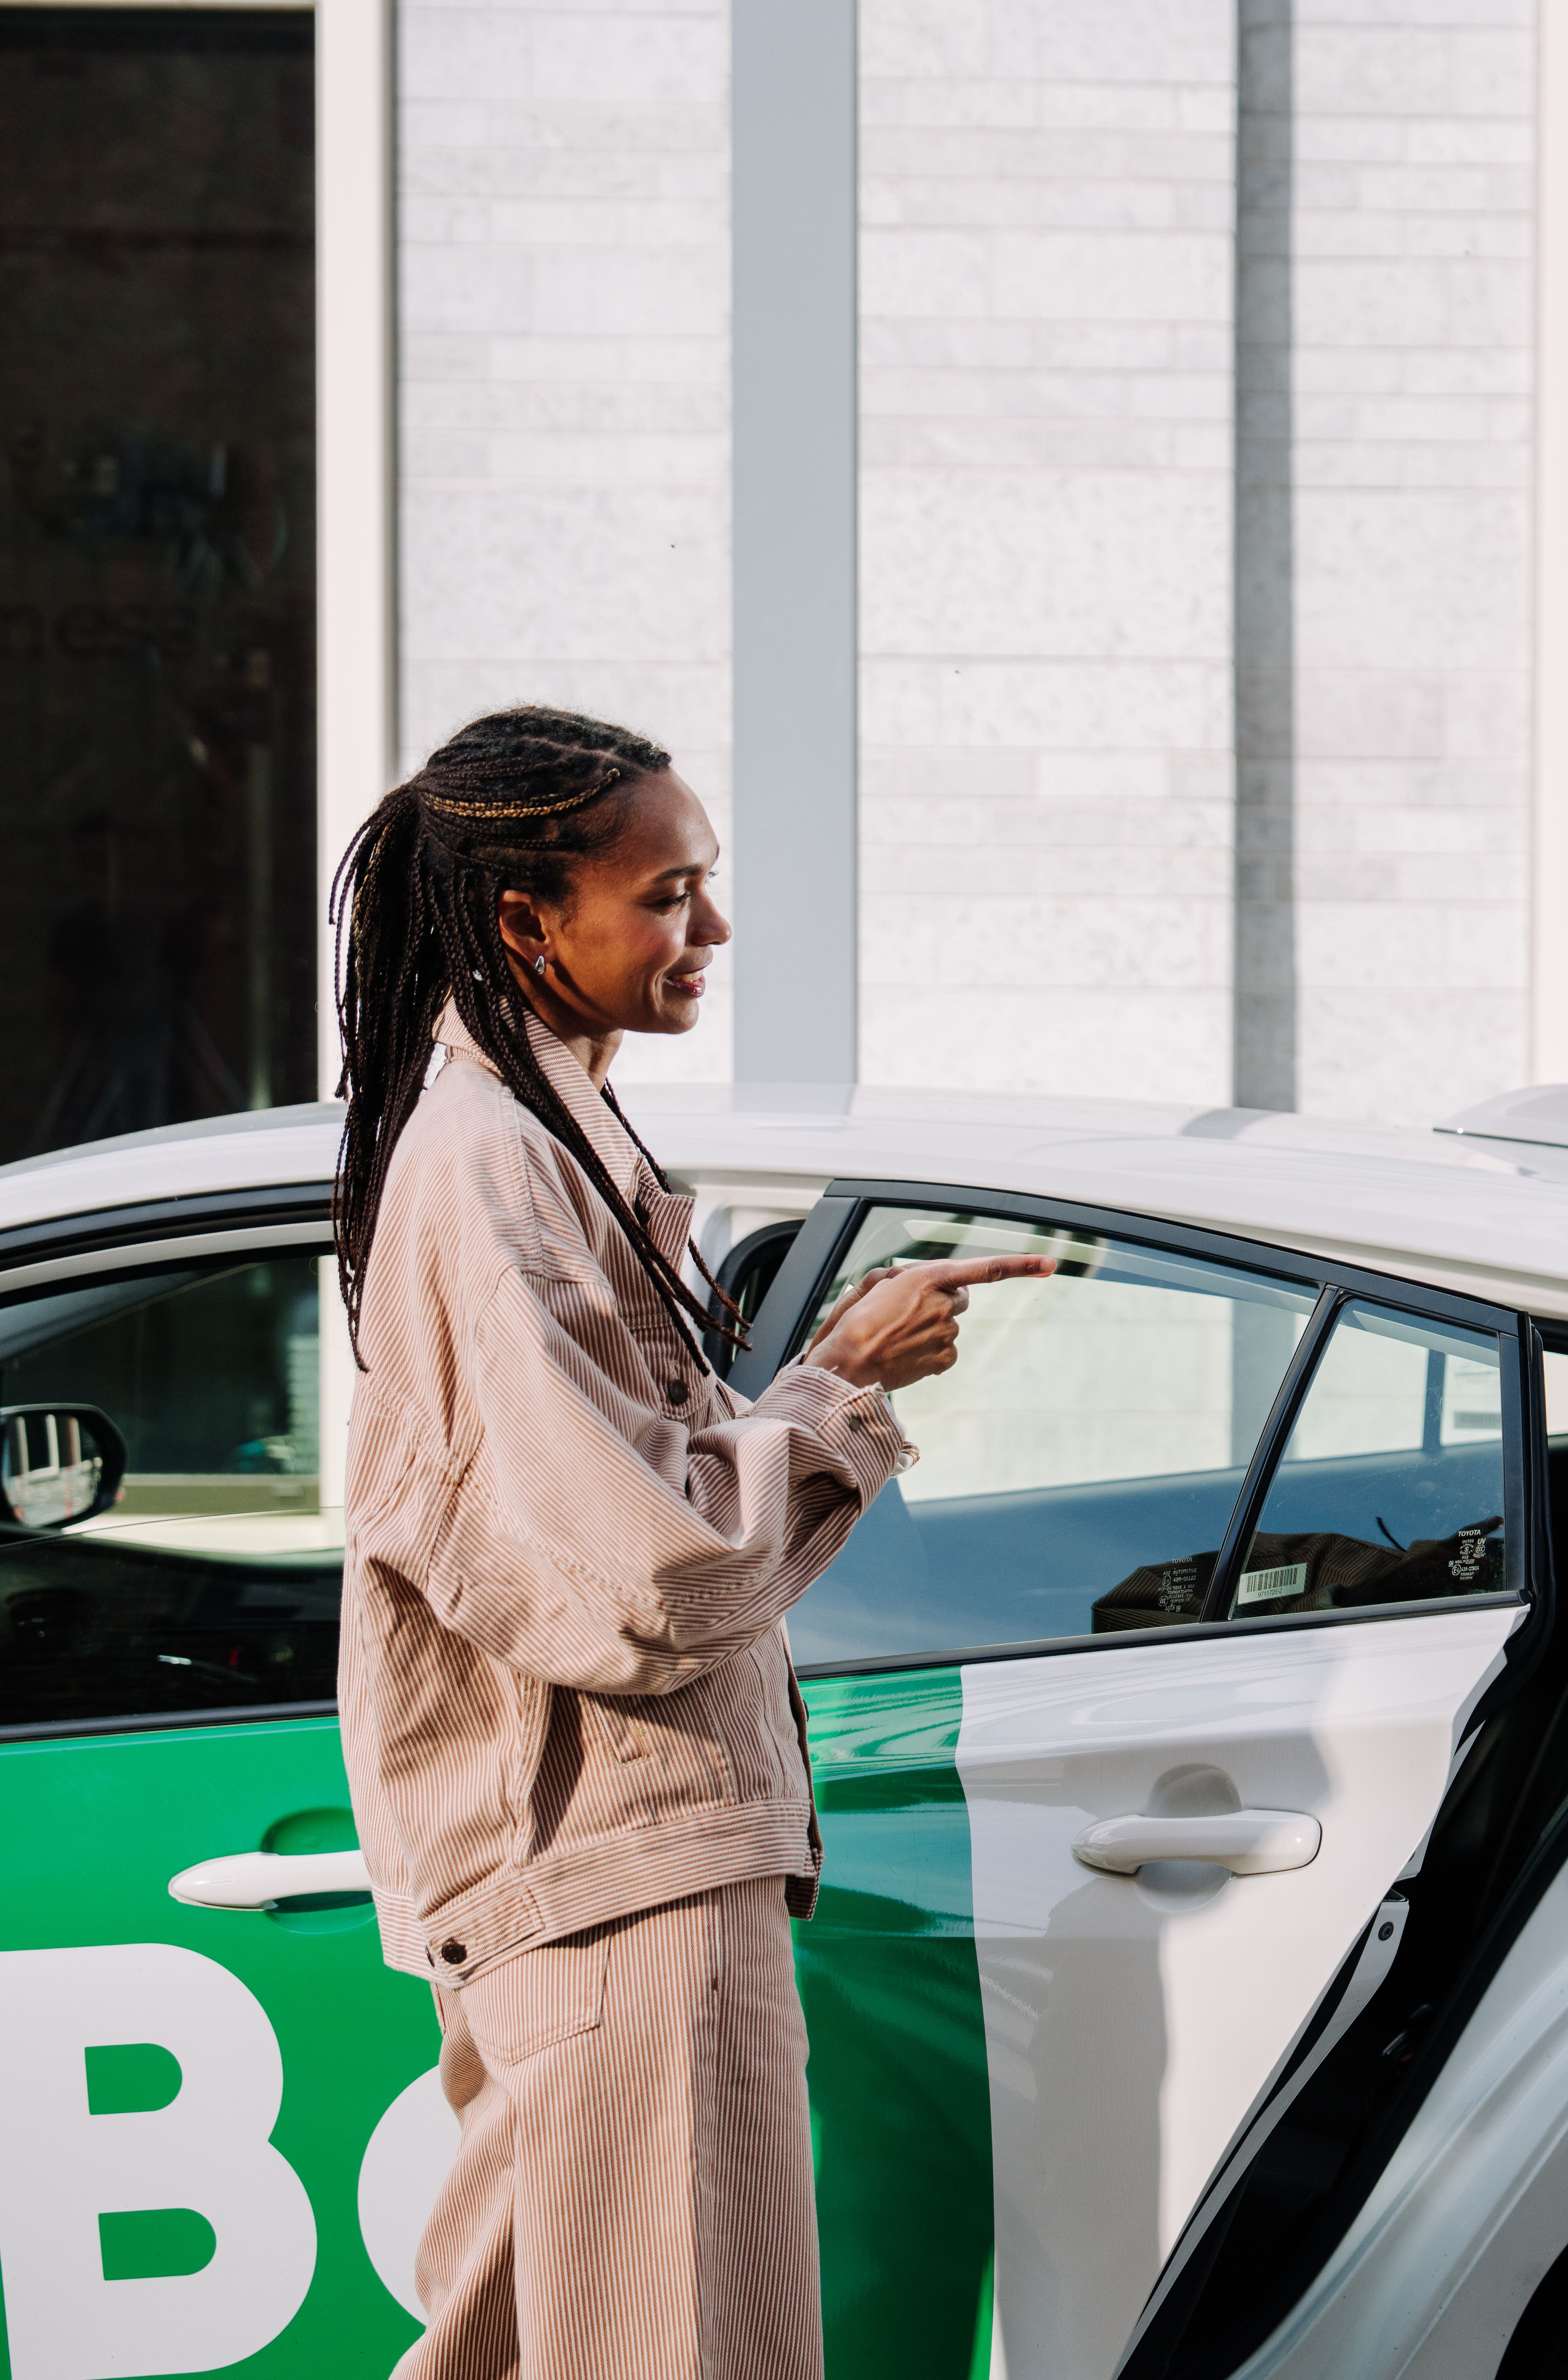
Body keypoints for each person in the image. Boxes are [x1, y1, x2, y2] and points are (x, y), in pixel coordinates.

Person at [329, 705, 1046, 2379]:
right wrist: (836, 1389)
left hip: (609, 1873)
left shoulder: (532, 1135)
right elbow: (641, 1570)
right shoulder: (495, 1163)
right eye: (668, 894)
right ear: (528, 919)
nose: (709, 931)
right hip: (617, 1884)